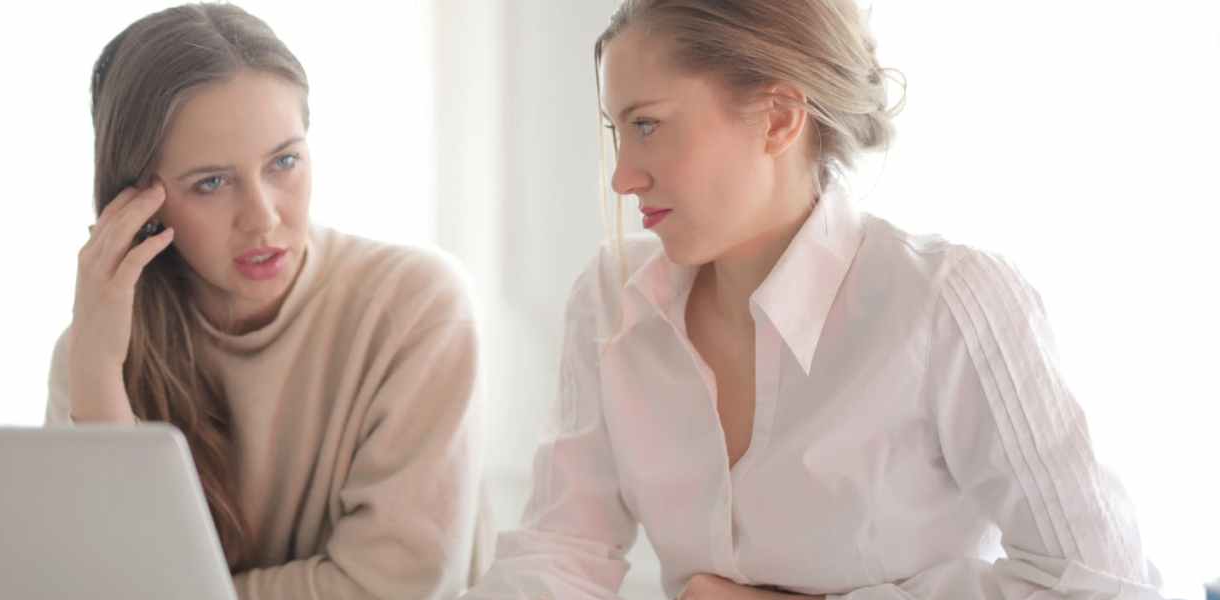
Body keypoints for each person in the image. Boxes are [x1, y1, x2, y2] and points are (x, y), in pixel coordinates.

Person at [464, 1, 1160, 598]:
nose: (622, 177)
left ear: (778, 118)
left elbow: (1109, 585)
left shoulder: (949, 305)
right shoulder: (611, 299)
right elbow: (561, 552)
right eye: (618, 133)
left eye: (647, 125)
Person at [46, 5, 490, 599]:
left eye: (284, 162)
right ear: (138, 205)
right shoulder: (94, 353)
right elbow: (97, 585)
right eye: (211, 182)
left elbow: (394, 589)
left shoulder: (418, 308)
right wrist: (100, 379)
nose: (262, 217)